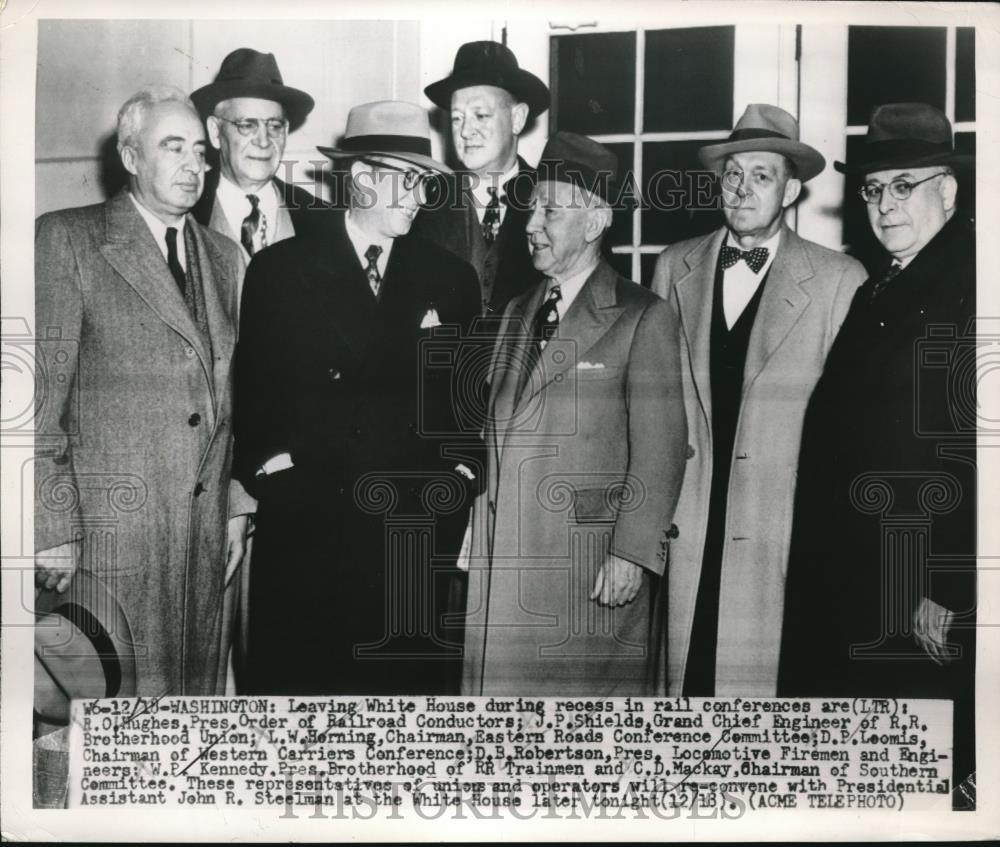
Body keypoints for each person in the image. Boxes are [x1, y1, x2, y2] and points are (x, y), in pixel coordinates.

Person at [233, 101, 481, 695]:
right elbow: (254, 398)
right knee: (304, 714)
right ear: (364, 177)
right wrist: (278, 478)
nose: (420, 198)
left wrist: (458, 483)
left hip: (410, 538)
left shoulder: (451, 278)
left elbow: (466, 411)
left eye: (426, 183)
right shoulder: (279, 271)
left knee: (402, 722)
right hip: (308, 535)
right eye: (408, 180)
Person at [779, 102, 976, 794]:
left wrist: (949, 587)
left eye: (903, 186)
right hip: (859, 578)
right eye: (872, 188)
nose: (883, 205)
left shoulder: (971, 288)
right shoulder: (883, 282)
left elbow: (978, 452)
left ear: (947, 192)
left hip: (913, 585)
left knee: (921, 776)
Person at [33, 85, 251, 696]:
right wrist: (51, 528)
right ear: (130, 157)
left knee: (193, 711)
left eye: (202, 153)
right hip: (110, 536)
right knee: (108, 711)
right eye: (173, 147)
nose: (194, 166)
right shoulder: (68, 240)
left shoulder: (225, 256)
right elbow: (35, 403)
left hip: (204, 540)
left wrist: (234, 507)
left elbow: (234, 399)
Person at [651, 104, 867, 697]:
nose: (742, 189)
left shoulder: (838, 280)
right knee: (683, 695)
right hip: (687, 522)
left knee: (757, 700)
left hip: (778, 527)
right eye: (732, 174)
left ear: (792, 189)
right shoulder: (674, 265)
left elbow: (844, 428)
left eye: (761, 176)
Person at [461, 132, 687, 696]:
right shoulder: (519, 310)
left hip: (583, 567)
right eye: (532, 208)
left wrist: (632, 551)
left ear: (594, 222)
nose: (532, 223)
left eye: (550, 210)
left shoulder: (642, 316)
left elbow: (661, 449)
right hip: (504, 552)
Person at [415, 40, 549, 316]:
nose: (465, 131)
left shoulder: (556, 201)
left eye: (481, 115)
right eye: (456, 118)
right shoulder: (420, 199)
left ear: (517, 118)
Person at [191, 48, 331, 256]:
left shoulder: (322, 219)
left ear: (284, 131)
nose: (264, 141)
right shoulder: (184, 210)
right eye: (247, 125)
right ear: (215, 131)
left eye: (274, 126)